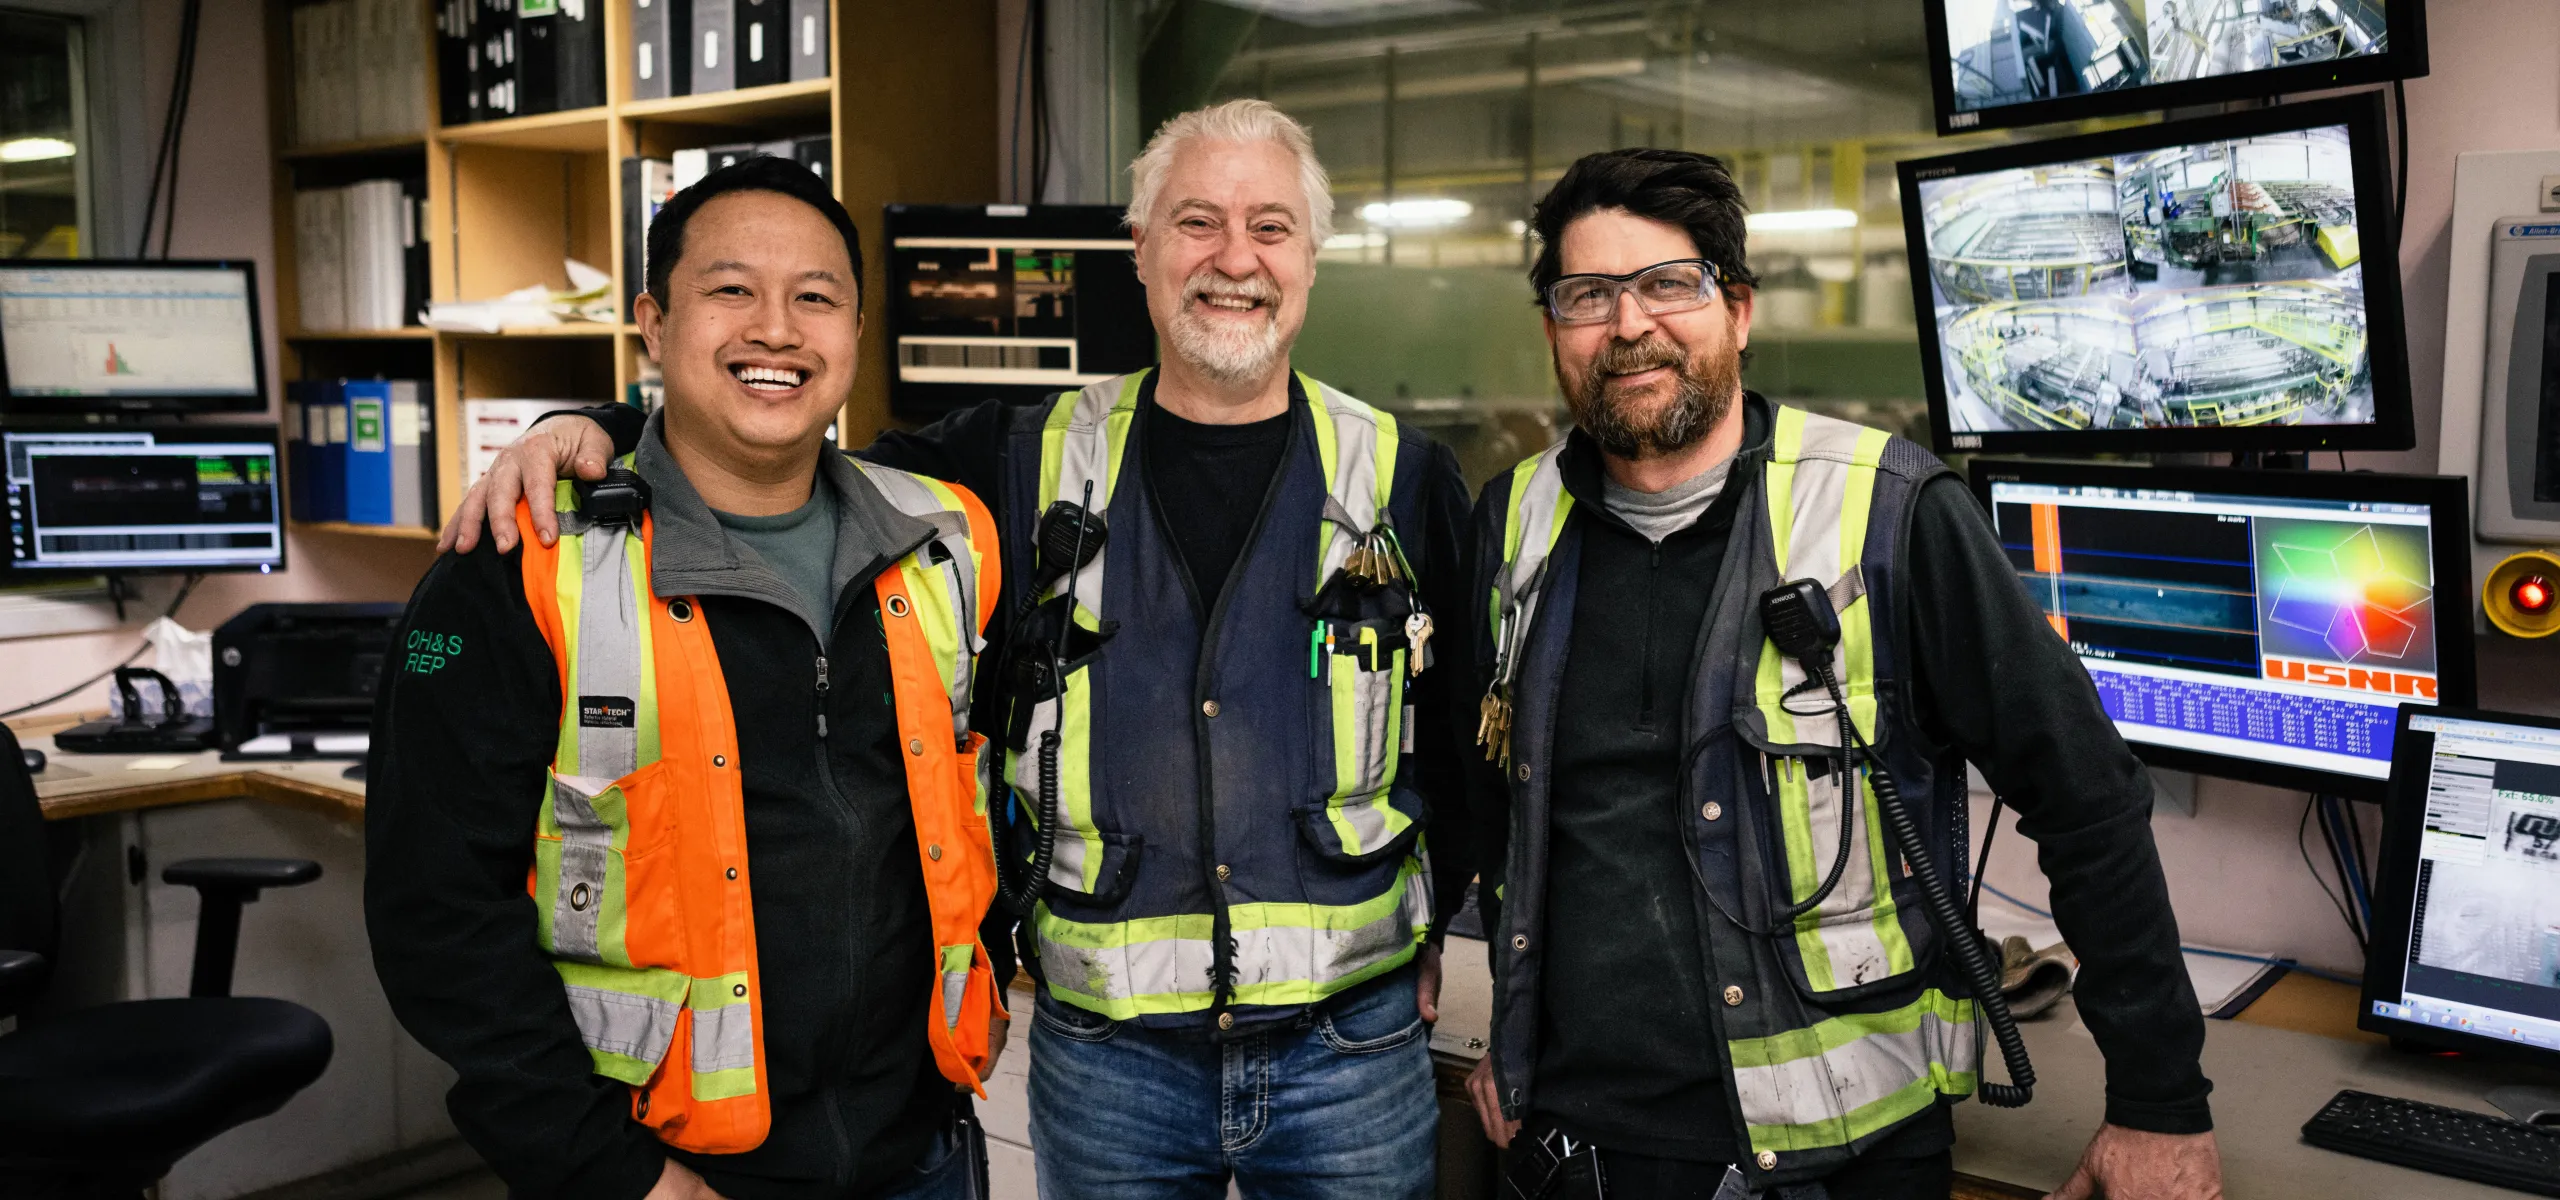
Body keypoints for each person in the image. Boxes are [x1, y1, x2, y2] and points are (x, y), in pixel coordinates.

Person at [438, 100, 1475, 1200]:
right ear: (1139, 249)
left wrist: (1433, 924)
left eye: (1270, 226)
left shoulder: (1403, 477)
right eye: (1195, 222)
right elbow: (760, 436)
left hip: (1346, 1054)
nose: (1234, 259)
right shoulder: (1008, 463)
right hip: (1109, 1061)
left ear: (1311, 255)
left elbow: (1455, 734)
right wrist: (590, 426)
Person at [1459, 148, 2225, 1200]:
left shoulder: (1890, 515)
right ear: (1554, 329)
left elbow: (2086, 800)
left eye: (1666, 285)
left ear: (1736, 310)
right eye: (1586, 295)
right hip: (1562, 1154)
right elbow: (1488, 801)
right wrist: (1507, 1018)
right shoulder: (1511, 523)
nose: (1627, 325)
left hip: (1832, 1165)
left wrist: (2157, 1102)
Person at [367, 157, 1012, 1200]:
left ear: (854, 330)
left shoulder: (946, 541)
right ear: (653, 326)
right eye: (730, 291)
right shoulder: (517, 566)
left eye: (815, 297)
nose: (776, 328)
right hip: (662, 1172)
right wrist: (615, 1173)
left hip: (920, 1153)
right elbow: (434, 913)